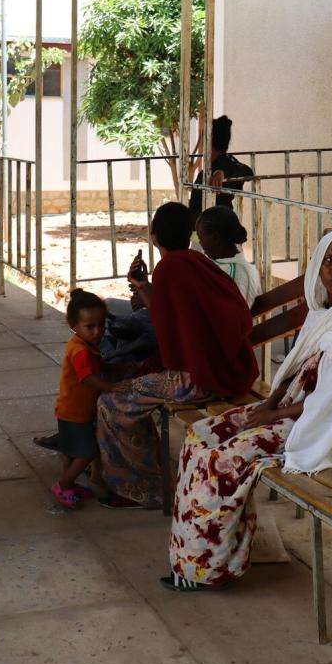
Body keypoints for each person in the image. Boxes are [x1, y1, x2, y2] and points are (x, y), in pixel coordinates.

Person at [162, 230, 332, 592]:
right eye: (330, 260)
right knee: (199, 436)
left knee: (220, 461)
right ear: (318, 266)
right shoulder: (326, 310)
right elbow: (294, 367)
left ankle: (206, 570)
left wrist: (271, 416)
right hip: (289, 409)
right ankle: (212, 553)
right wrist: (268, 405)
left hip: (317, 422)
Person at [95, 202, 258, 510]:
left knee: (110, 401)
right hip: (225, 367)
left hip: (197, 378)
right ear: (189, 234)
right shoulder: (197, 262)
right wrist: (144, 286)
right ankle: (151, 472)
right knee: (123, 380)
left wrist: (146, 289)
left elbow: (166, 329)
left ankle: (145, 487)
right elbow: (173, 317)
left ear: (155, 237)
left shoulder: (171, 268)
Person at [45, 290, 122, 508]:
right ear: (73, 324)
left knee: (72, 450)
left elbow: (95, 367)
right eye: (90, 326)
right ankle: (63, 484)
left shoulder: (84, 344)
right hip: (75, 412)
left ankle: (70, 485)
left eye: (101, 325)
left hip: (74, 409)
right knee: (88, 451)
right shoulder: (80, 350)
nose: (97, 331)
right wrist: (111, 387)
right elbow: (87, 377)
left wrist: (112, 368)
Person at [188, 116, 254, 219]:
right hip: (215, 222)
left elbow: (248, 172)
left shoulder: (225, 163)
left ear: (208, 141)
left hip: (213, 225)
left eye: (202, 138)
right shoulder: (220, 165)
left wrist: (222, 172)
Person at [196, 205, 262, 307]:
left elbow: (227, 315)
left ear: (215, 238)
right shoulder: (223, 265)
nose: (200, 243)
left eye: (201, 238)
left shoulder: (238, 273)